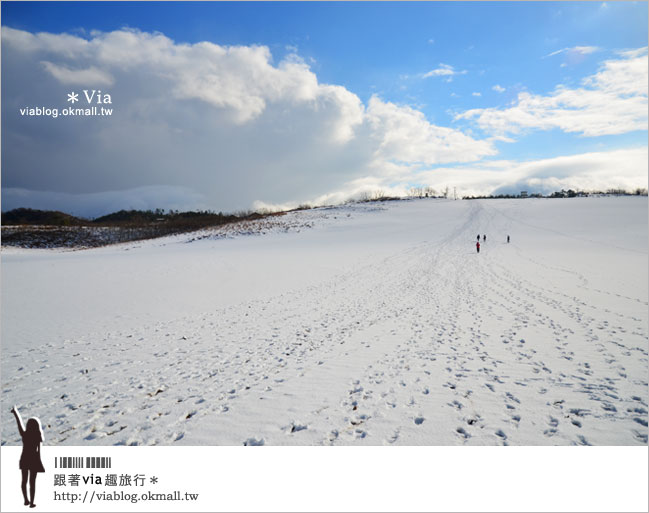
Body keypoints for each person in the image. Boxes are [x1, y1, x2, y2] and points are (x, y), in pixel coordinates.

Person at [11, 406, 44, 508]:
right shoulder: (38, 436)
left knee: (24, 481)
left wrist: (15, 413)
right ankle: (32, 502)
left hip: (24, 459)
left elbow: (19, 423)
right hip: (34, 460)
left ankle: (26, 499)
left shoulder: (24, 435)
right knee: (32, 483)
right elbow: (39, 451)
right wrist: (39, 463)